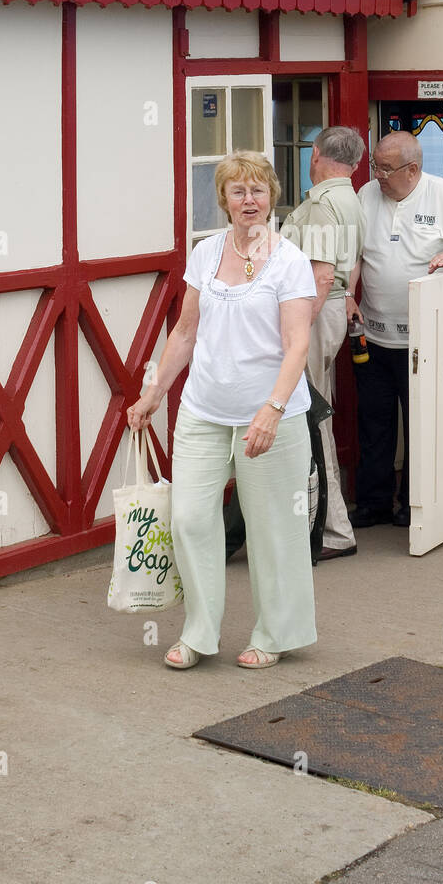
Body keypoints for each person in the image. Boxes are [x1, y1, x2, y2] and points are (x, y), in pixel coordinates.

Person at [127, 151, 317, 670]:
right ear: (224, 200)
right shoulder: (206, 253)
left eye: (257, 190)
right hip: (203, 409)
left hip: (270, 415)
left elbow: (296, 344)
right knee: (189, 519)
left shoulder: (290, 261)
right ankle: (199, 632)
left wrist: (272, 409)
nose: (249, 200)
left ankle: (274, 634)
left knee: (273, 527)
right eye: (238, 191)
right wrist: (153, 391)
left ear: (271, 196)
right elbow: (186, 332)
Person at [350, 130, 443, 529]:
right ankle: (373, 503)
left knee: (421, 423)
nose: (377, 173)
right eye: (375, 164)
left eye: (386, 168)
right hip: (373, 334)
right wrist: (346, 292)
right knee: (374, 422)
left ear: (412, 169)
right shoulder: (366, 195)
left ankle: (413, 504)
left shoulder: (442, 194)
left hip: (422, 341)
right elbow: (358, 252)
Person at [280, 126, 367, 560]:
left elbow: (321, 274)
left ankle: (333, 530)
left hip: (315, 313)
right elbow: (350, 269)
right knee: (315, 412)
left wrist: (297, 330)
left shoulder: (321, 204)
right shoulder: (351, 200)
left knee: (313, 416)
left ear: (314, 155)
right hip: (333, 310)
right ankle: (323, 523)